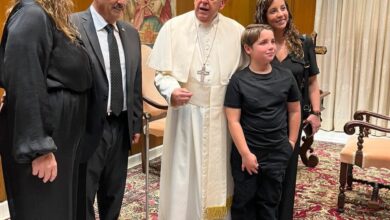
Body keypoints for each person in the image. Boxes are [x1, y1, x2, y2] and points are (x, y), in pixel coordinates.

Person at [148, 0, 247, 219]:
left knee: (219, 177)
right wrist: (172, 90)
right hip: (185, 117)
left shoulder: (237, 32)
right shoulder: (173, 28)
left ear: (222, 3)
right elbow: (161, 74)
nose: (203, 1)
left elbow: (244, 76)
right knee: (183, 177)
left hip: (221, 119)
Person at [0, 0, 92, 219]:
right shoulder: (31, 13)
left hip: (60, 139)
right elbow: (25, 78)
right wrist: (39, 149)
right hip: (42, 144)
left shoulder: (46, 16)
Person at [71, 0, 143, 219]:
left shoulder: (130, 32)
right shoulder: (72, 25)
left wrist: (135, 121)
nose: (121, 2)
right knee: (82, 196)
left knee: (113, 194)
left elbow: (135, 81)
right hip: (87, 128)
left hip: (121, 127)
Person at [224, 23, 301, 220]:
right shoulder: (238, 81)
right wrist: (245, 154)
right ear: (248, 49)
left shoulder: (286, 76)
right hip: (247, 155)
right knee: (244, 203)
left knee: (270, 203)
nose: (271, 46)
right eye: (263, 42)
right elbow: (233, 121)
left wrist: (291, 143)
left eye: (272, 41)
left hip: (277, 153)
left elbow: (294, 111)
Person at [255, 0, 322, 219]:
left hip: (293, 121)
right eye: (273, 10)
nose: (280, 14)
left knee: (286, 173)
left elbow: (312, 82)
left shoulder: (304, 43)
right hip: (262, 120)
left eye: (283, 8)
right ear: (264, 15)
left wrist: (316, 113)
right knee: (263, 174)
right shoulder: (258, 42)